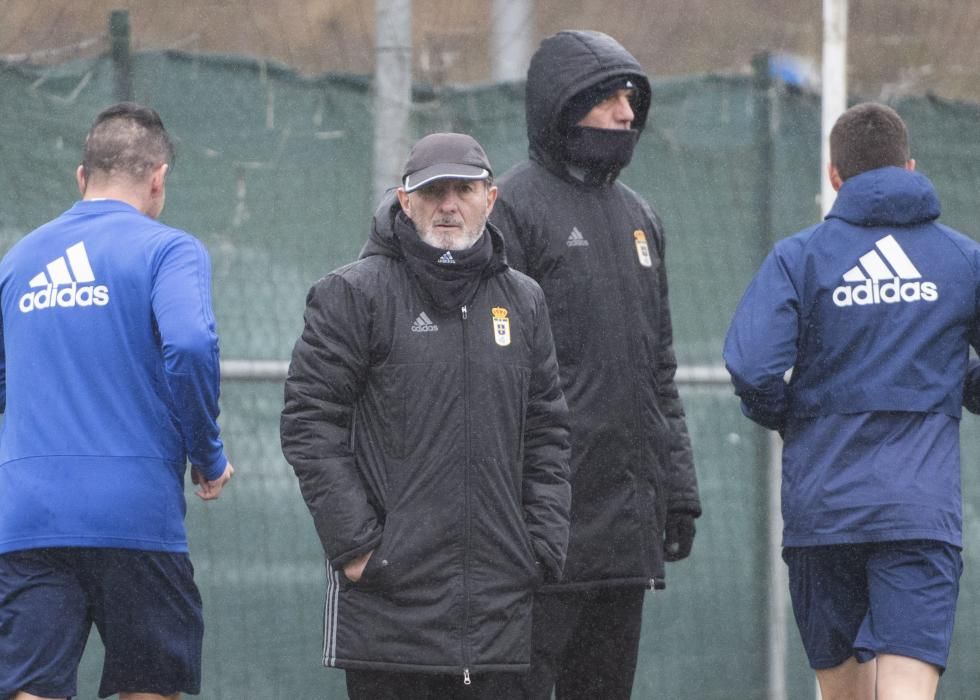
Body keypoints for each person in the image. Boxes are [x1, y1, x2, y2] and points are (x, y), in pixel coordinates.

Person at [280, 132, 572, 700]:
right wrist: (361, 549)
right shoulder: (352, 294)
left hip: (498, 614)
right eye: (432, 190)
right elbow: (309, 422)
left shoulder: (525, 301)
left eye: (463, 189)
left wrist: (538, 545)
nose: (448, 204)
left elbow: (548, 431)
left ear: (490, 200)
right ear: (404, 200)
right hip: (388, 615)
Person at [724, 102, 980, 700]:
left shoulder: (799, 257)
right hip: (918, 513)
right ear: (911, 166)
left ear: (834, 176)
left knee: (843, 694)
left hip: (823, 513)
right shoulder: (963, 259)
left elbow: (752, 366)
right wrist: (958, 386)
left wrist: (794, 417)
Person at [489, 30, 702, 700]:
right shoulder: (512, 208)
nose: (625, 113)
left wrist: (679, 488)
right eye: (608, 97)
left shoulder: (642, 217)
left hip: (625, 531)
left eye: (632, 98)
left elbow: (657, 368)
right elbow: (495, 375)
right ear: (562, 104)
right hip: (543, 528)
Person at [0, 102, 234, 700]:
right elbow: (188, 344)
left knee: (30, 688)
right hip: (136, 516)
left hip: (28, 516)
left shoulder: (19, 261)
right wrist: (207, 455)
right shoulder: (169, 251)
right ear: (158, 179)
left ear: (82, 178)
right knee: (150, 686)